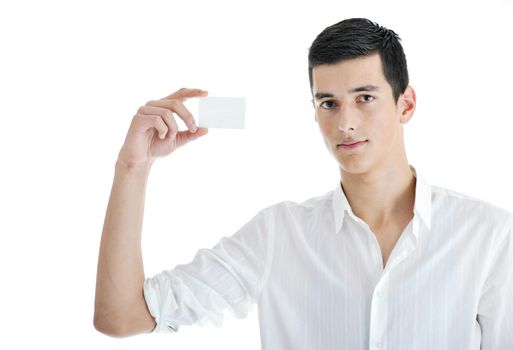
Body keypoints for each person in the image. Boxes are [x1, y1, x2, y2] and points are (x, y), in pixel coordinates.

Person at [94, 18, 513, 349]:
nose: (345, 122)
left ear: (406, 104)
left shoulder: (489, 236)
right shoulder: (279, 235)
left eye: (365, 97)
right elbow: (121, 316)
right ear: (314, 111)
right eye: (328, 103)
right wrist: (133, 167)